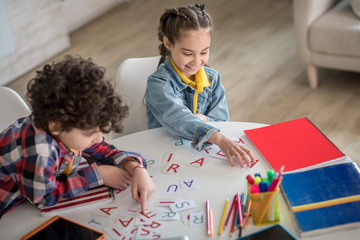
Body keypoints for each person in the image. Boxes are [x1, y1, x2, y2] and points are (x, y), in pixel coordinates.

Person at [0, 55, 155, 218]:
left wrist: (136, 168)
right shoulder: (39, 150)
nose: (98, 138)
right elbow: (45, 197)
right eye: (89, 133)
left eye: (100, 129)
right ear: (56, 126)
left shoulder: (70, 126)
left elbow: (103, 151)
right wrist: (99, 175)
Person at [146, 4, 255, 167]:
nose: (197, 61)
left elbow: (223, 121)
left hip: (203, 156)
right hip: (164, 156)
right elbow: (177, 117)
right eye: (188, 53)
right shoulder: (158, 84)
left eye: (204, 52)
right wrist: (216, 136)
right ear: (168, 43)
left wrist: (204, 119)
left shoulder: (213, 79)